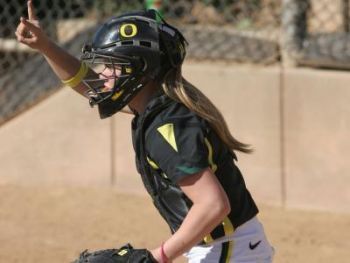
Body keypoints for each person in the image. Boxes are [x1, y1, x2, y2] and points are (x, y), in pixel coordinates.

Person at [16, 1, 274, 262]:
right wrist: (45, 46)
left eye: (110, 65)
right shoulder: (154, 110)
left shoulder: (167, 125)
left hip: (229, 250)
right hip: (222, 247)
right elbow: (90, 86)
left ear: (138, 68)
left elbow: (213, 205)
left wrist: (156, 257)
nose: (102, 74)